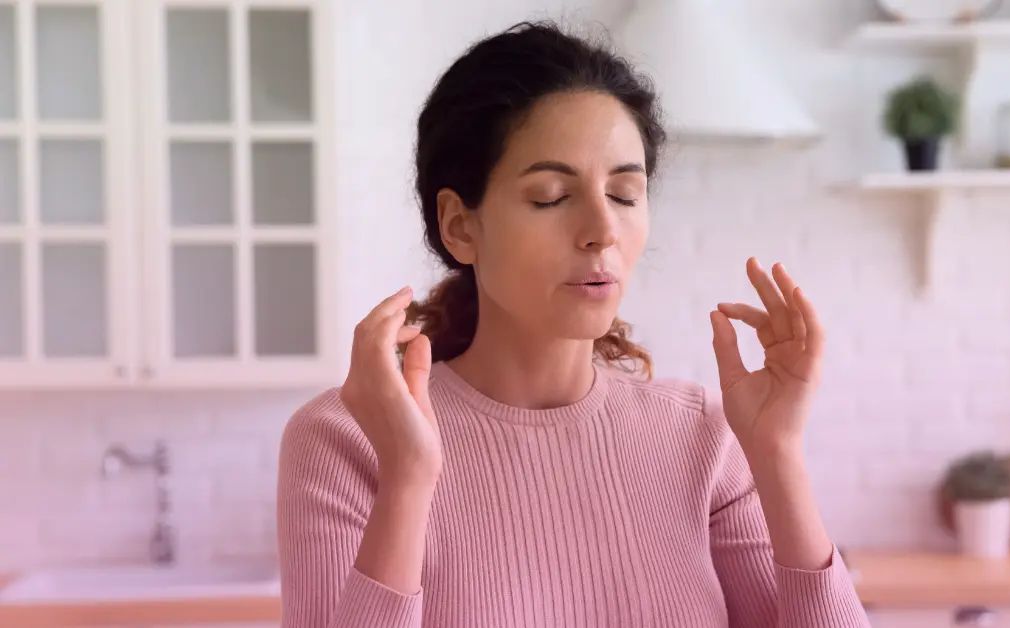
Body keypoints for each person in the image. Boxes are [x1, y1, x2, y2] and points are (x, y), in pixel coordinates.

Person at [276, 19, 870, 628]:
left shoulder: (701, 438)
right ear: (459, 225)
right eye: (552, 196)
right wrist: (407, 479)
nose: (602, 230)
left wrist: (777, 453)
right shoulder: (348, 440)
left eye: (625, 194)